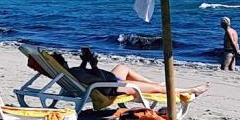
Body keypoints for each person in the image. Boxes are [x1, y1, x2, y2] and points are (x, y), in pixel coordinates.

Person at [56, 50, 209, 98]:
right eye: (62, 60)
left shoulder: (68, 73)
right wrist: (94, 65)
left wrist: (85, 61)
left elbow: (86, 75)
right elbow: (98, 79)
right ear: (61, 63)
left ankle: (151, 84)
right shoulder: (73, 73)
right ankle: (191, 91)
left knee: (122, 67)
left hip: (111, 81)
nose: (65, 60)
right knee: (160, 90)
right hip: (113, 87)